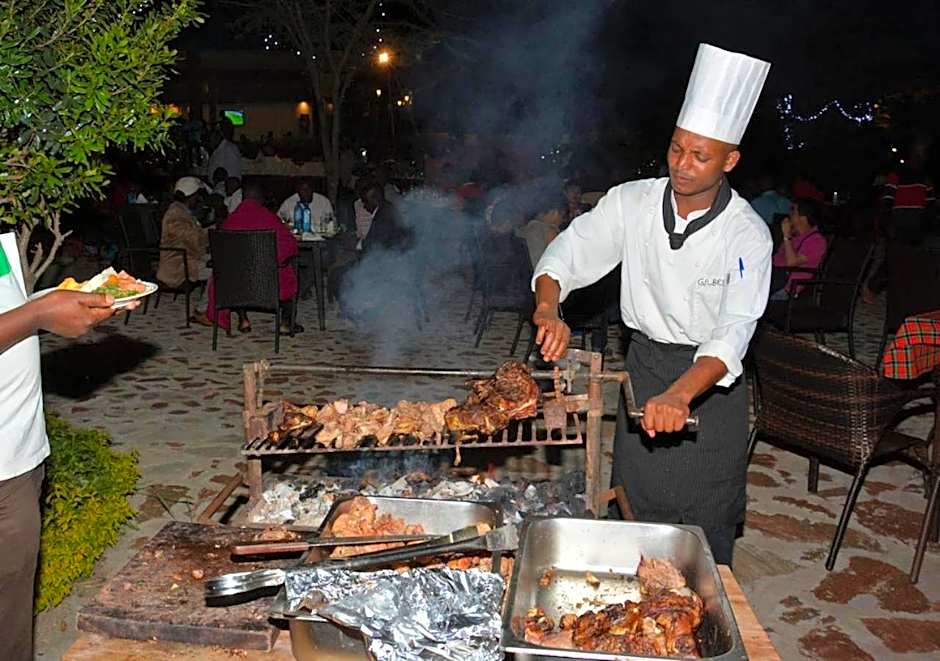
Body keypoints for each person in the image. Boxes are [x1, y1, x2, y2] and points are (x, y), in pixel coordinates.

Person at [531, 44, 772, 566]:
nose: (683, 165)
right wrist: (549, 308)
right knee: (635, 513)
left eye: (700, 155)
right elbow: (569, 252)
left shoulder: (747, 234)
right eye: (677, 149)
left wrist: (682, 395)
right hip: (644, 365)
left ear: (729, 160)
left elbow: (734, 331)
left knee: (705, 524)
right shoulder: (632, 202)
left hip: (708, 384)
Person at [0, 232, 139, 660]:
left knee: (11, 626)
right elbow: (24, 319)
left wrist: (68, 300)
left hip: (16, 456)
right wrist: (39, 314)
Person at [193, 183, 301, 334]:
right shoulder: (270, 219)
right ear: (261, 199)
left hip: (235, 285)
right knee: (290, 275)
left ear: (242, 199)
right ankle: (285, 323)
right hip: (267, 283)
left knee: (235, 271)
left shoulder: (230, 221)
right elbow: (290, 246)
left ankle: (243, 320)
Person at [156, 177, 210, 290]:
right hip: (178, 267)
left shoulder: (182, 211)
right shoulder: (175, 214)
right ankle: (204, 306)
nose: (198, 199)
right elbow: (195, 239)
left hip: (188, 259)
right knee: (222, 272)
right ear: (191, 196)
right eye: (197, 196)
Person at [768, 198, 826, 299]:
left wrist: (786, 236)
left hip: (788, 288)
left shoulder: (816, 241)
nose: (789, 216)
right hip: (774, 279)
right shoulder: (794, 236)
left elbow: (792, 262)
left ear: (803, 218)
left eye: (793, 213)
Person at [514, 191, 567, 266]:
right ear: (555, 213)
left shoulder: (520, 231)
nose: (561, 221)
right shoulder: (549, 231)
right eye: (562, 216)